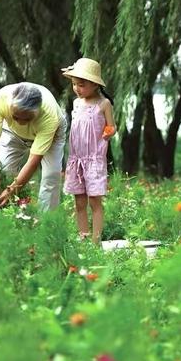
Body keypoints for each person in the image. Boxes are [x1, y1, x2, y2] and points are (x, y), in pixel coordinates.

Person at [0, 83, 67, 210]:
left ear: (37, 111)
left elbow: (34, 161)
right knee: (4, 172)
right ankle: (12, 215)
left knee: (51, 176)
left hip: (51, 133)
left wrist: (12, 190)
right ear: (10, 105)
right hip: (12, 131)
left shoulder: (49, 116)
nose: (21, 122)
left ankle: (47, 222)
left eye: (26, 119)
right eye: (16, 117)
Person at [62, 58, 116, 244]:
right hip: (77, 158)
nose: (77, 88)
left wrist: (108, 133)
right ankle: (83, 237)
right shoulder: (77, 103)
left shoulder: (104, 104)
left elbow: (111, 126)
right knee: (79, 202)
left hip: (94, 159)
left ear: (94, 84)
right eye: (75, 84)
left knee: (95, 201)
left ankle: (96, 240)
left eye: (81, 85)